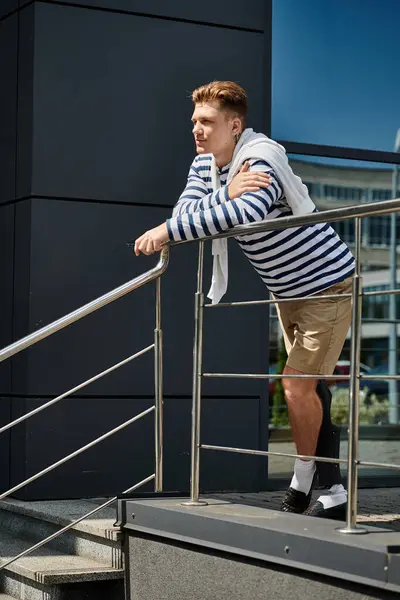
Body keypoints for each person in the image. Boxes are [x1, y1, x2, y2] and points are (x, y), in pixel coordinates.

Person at [134, 81, 353, 519]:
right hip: (288, 290)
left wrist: (168, 231)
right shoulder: (207, 165)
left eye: (207, 122)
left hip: (327, 286)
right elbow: (188, 214)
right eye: (195, 121)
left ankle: (307, 482)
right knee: (311, 390)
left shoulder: (263, 159)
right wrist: (226, 192)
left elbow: (244, 216)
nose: (197, 129)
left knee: (296, 386)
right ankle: (330, 489)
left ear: (235, 126)